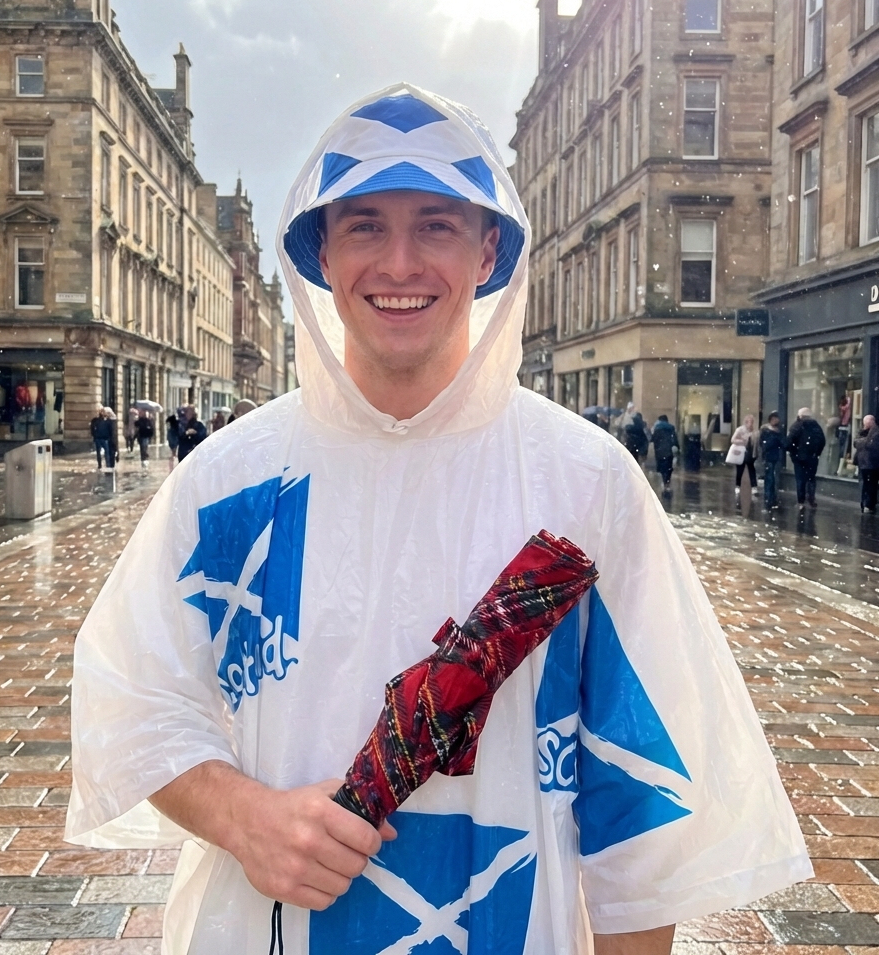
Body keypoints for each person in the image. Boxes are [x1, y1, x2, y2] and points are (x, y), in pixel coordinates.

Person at [67, 85, 808, 955]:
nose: (401, 263)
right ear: (320, 253)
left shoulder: (584, 481)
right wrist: (241, 815)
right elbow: (134, 693)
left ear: (490, 248)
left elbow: (641, 797)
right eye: (366, 225)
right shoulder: (231, 480)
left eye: (438, 225)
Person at [786, 406, 826, 509]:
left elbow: (789, 441)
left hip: (800, 458)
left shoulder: (797, 426)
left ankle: (801, 501)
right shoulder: (816, 426)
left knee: (800, 479)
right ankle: (811, 499)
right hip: (812, 457)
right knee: (811, 478)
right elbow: (822, 441)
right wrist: (816, 453)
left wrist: (793, 453)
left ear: (800, 416)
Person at [759, 411, 786, 510]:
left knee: (774, 478)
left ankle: (772, 498)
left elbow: (783, 443)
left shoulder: (779, 431)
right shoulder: (766, 431)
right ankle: (769, 498)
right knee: (770, 478)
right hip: (770, 456)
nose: (776, 420)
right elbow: (764, 444)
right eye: (774, 418)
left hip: (776, 457)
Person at [854, 414, 879, 513]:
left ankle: (868, 504)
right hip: (864, 462)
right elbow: (856, 442)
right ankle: (865, 503)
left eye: (868, 423)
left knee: (870, 484)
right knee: (865, 483)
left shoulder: (876, 432)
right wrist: (865, 442)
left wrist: (863, 443)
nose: (866, 425)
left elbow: (871, 445)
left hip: (872, 462)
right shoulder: (863, 431)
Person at [731, 415, 759, 496]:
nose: (751, 424)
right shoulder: (740, 430)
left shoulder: (755, 431)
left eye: (752, 422)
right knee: (740, 470)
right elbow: (733, 440)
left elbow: (756, 443)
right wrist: (742, 441)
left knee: (751, 470)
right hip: (741, 452)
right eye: (749, 422)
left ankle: (754, 486)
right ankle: (737, 485)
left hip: (750, 453)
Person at [651, 414, 679, 494]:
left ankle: (665, 482)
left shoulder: (657, 429)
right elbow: (675, 440)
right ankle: (667, 483)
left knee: (663, 468)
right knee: (668, 468)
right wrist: (677, 448)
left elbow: (653, 440)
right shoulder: (671, 428)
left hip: (659, 451)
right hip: (669, 451)